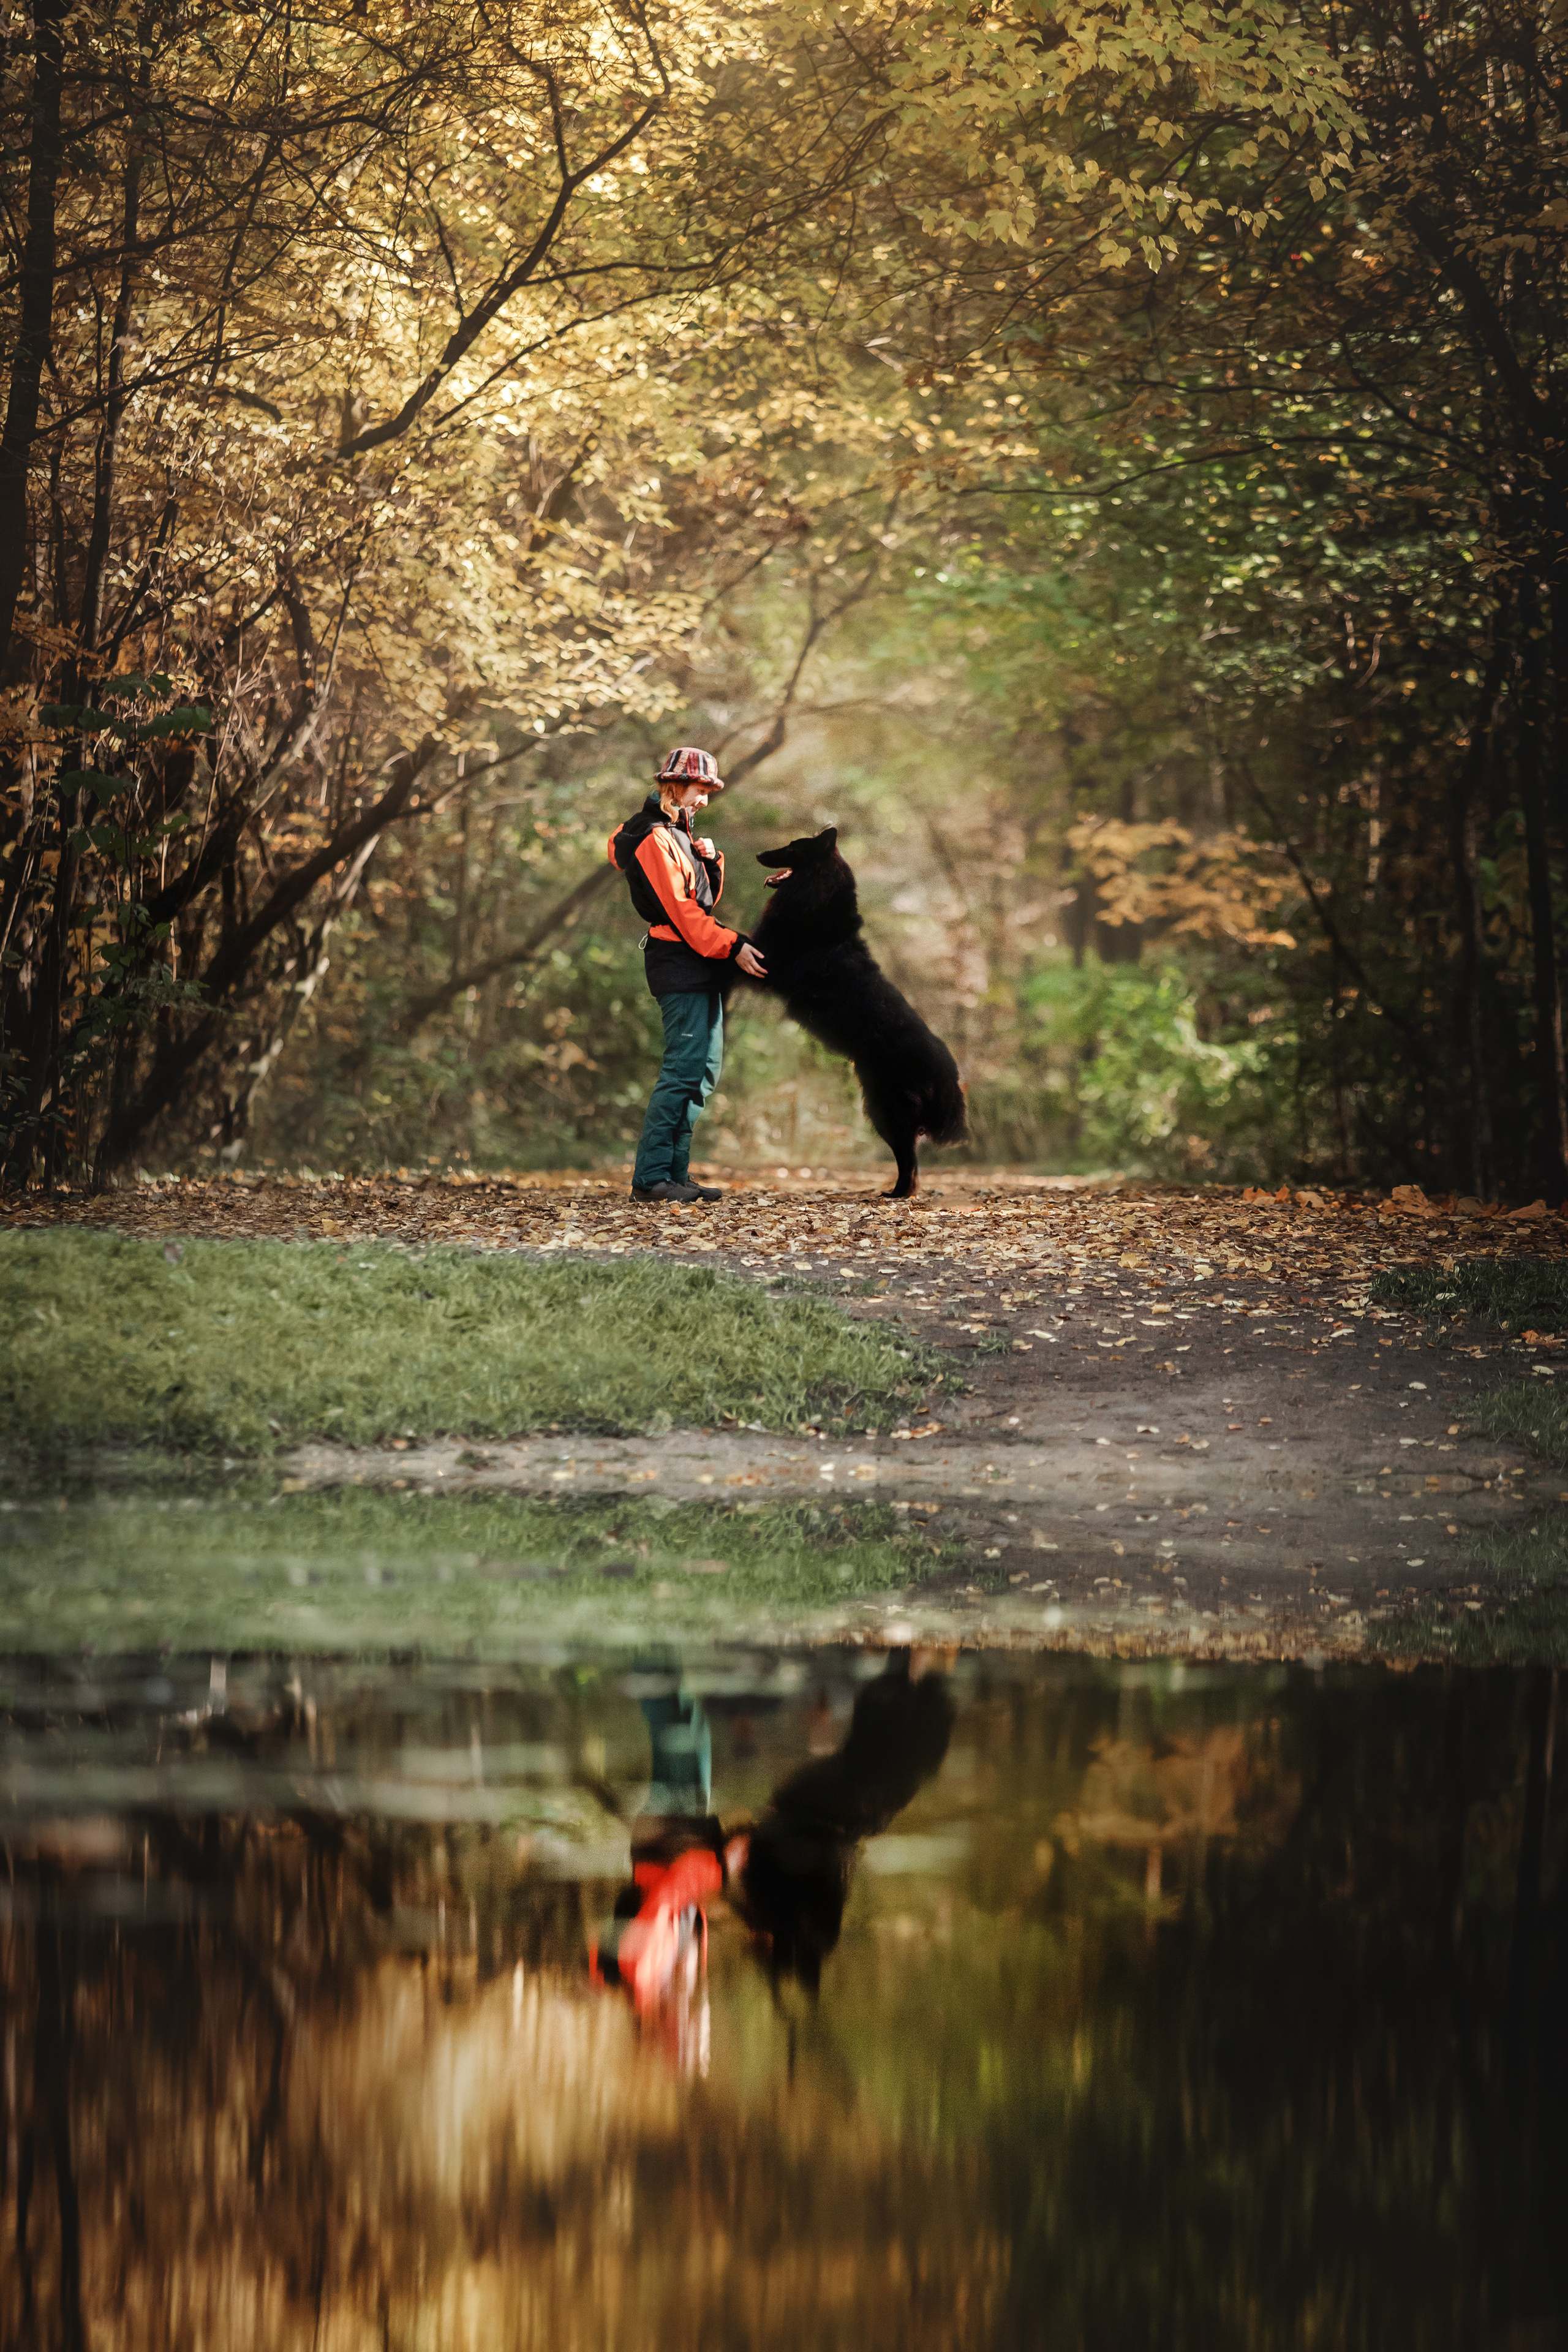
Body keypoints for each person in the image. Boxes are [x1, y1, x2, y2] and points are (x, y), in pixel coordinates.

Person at [608, 747, 766, 1204]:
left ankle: (675, 1175)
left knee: (703, 1072)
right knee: (682, 1070)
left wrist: (711, 863)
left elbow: (701, 903)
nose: (706, 800)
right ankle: (651, 1178)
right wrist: (734, 945)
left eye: (710, 792)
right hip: (678, 960)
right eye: (701, 790)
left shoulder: (678, 835)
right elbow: (683, 916)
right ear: (674, 786)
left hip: (698, 961)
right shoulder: (653, 838)